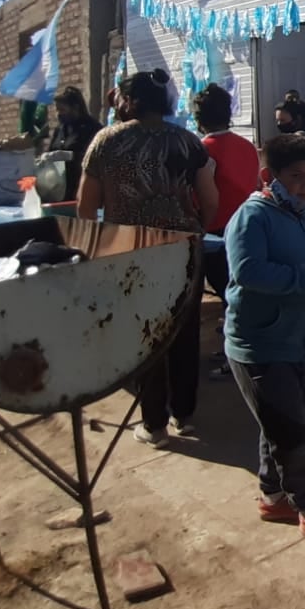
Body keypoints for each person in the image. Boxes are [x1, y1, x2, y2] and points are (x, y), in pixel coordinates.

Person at [223, 133, 305, 549]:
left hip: (300, 340)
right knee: (292, 433)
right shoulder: (253, 217)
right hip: (259, 344)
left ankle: (273, 496)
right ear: (270, 176)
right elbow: (250, 273)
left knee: (282, 423)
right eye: (296, 177)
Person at [78, 68, 219, 448]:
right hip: (182, 250)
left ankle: (153, 424)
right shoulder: (188, 142)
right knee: (182, 332)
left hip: (131, 252)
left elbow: (86, 208)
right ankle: (184, 415)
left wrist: (97, 250)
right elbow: (209, 200)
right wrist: (195, 229)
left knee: (145, 335)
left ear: (126, 101)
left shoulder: (106, 141)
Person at [191, 85, 261, 376]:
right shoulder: (247, 146)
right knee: (243, 294)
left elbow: (204, 197)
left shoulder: (202, 150)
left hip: (217, 233)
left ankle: (236, 357)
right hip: (249, 226)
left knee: (230, 298)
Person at [43, 87, 102, 202]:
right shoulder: (60, 130)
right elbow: (50, 151)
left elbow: (98, 159)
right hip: (59, 190)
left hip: (82, 189)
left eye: (62, 110)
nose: (58, 114)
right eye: (57, 110)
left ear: (75, 108)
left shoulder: (92, 128)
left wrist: (71, 156)